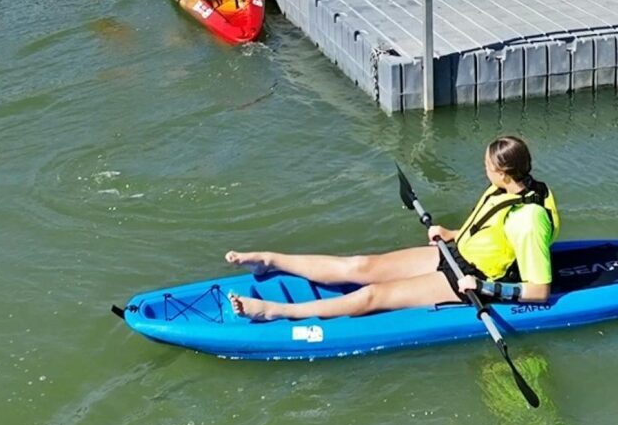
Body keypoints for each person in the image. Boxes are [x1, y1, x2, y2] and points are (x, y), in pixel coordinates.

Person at [226, 135, 559, 322]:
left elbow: (539, 291)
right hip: (455, 255)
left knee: (374, 295)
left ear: (503, 172)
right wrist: (452, 234)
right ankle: (270, 260)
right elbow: (491, 230)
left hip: (474, 281)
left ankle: (277, 311)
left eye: (487, 167)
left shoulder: (529, 220)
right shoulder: (506, 188)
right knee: (360, 266)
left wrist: (487, 288)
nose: (483, 170)